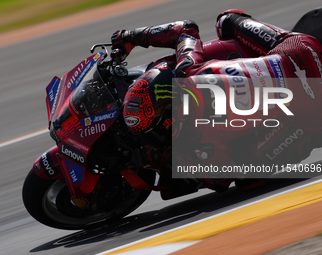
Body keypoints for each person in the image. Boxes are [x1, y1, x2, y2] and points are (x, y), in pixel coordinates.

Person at [111, 9, 322, 191]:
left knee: (247, 177)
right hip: (300, 50)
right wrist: (132, 36)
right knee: (226, 19)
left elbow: (219, 181)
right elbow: (185, 29)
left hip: (311, 110)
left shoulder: (201, 136)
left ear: (169, 116)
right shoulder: (188, 67)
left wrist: (180, 161)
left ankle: (311, 136)